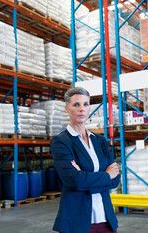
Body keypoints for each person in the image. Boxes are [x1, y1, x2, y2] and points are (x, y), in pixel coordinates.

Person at [50, 87, 121, 233]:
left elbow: (115, 180)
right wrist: (105, 175)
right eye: (76, 105)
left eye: (86, 104)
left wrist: (85, 178)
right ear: (67, 108)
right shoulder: (61, 142)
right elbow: (74, 180)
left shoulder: (100, 141)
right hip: (77, 221)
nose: (82, 109)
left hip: (105, 219)